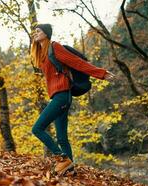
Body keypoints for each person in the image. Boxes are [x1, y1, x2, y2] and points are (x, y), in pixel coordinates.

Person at [30, 23, 115, 176]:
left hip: (62, 95)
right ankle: (70, 170)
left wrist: (101, 73)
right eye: (34, 31)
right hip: (57, 96)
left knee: (37, 128)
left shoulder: (54, 47)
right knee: (62, 137)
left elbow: (77, 62)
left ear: (46, 33)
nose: (35, 33)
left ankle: (61, 158)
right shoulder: (42, 55)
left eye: (38, 31)